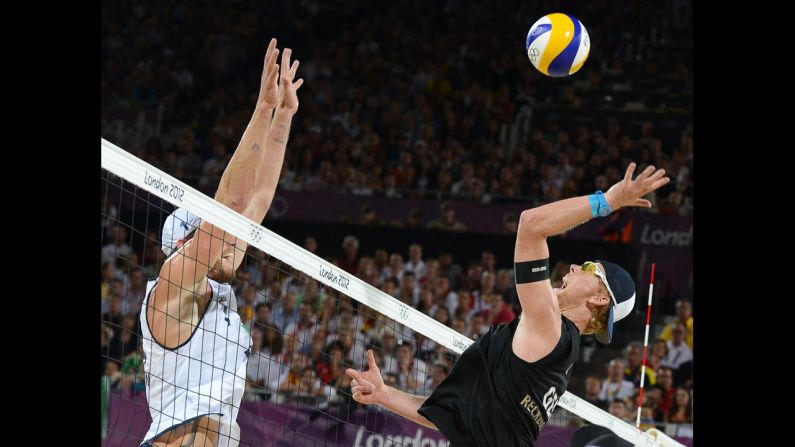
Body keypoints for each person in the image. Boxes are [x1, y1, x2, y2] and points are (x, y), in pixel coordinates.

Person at [345, 162, 669, 445]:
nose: (573, 267)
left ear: (600, 298)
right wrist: (385, 395)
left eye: (587, 269)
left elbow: (531, 225)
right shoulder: (552, 348)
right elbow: (457, 418)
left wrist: (608, 200)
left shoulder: (551, 329)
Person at [139, 39, 303, 447]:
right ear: (184, 246)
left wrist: (283, 115)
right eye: (217, 236)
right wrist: (262, 109)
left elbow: (260, 196)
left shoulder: (216, 282)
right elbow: (232, 202)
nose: (232, 243)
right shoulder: (173, 283)